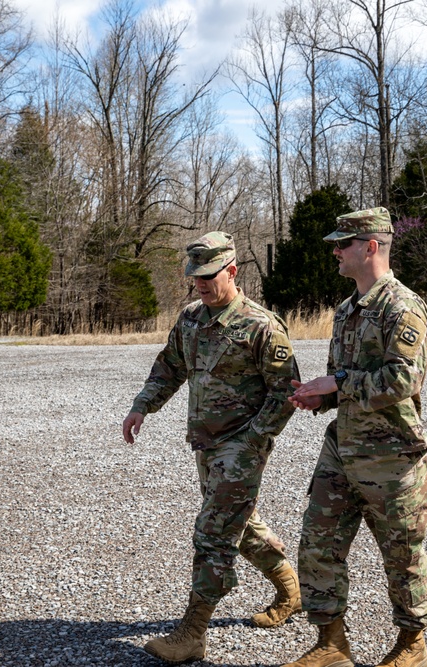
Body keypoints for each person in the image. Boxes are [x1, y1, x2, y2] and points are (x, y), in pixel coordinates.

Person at [121, 231, 302, 663]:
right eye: (194, 276)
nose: (200, 283)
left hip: (241, 448)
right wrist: (142, 407)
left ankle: (192, 633)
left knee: (214, 534)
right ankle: (291, 590)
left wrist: (254, 440)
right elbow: (169, 367)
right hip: (205, 445)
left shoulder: (261, 325)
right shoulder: (191, 319)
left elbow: (287, 392)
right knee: (242, 527)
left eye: (208, 275)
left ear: (232, 271)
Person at [282, 207, 427, 667]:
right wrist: (321, 397)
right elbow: (345, 379)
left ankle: (411, 648)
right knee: (317, 544)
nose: (335, 251)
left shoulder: (403, 307)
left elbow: (404, 379)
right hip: (343, 448)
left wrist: (338, 385)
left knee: (401, 554)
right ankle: (332, 644)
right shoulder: (347, 309)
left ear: (370, 246)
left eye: (342, 243)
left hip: (390, 456)